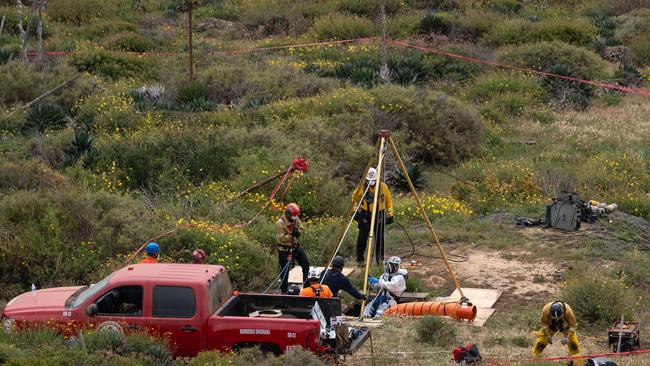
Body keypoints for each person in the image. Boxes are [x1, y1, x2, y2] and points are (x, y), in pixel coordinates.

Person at [352, 167, 394, 265]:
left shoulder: (383, 187)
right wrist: (355, 212)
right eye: (369, 180)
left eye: (374, 180)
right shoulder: (361, 187)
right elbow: (354, 198)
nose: (372, 182)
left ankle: (380, 259)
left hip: (379, 215)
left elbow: (388, 201)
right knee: (362, 238)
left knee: (379, 238)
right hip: (365, 215)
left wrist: (390, 215)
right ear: (366, 179)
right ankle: (360, 260)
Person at [532, 301, 583, 366]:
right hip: (551, 326)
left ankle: (573, 362)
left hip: (566, 327)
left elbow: (573, 325)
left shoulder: (568, 311)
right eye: (555, 318)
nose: (557, 319)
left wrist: (567, 337)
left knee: (574, 345)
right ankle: (534, 359)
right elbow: (544, 323)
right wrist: (548, 335)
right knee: (541, 342)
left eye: (559, 317)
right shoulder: (546, 310)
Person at [276, 203, 311, 294]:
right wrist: (291, 235)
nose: (294, 218)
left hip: (296, 247)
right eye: (292, 215)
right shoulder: (280, 223)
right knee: (285, 271)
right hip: (284, 250)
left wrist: (298, 232)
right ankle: (284, 291)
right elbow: (281, 238)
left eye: (295, 216)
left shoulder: (295, 218)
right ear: (287, 214)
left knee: (306, 264)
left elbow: (301, 228)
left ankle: (307, 287)